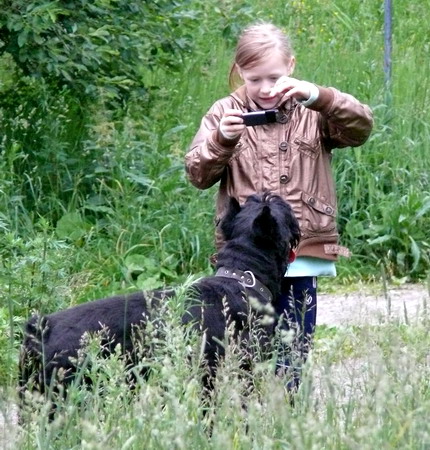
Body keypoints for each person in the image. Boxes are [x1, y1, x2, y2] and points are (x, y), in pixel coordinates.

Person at [184, 22, 373, 391]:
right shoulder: (223, 111)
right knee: (243, 342)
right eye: (255, 79)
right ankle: (246, 409)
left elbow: (361, 128)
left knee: (293, 342)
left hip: (301, 248)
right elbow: (197, 174)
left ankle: (285, 407)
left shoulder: (313, 109)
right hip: (245, 258)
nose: (266, 89)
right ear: (239, 72)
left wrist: (320, 95)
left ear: (290, 65)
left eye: (274, 77)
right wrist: (222, 140)